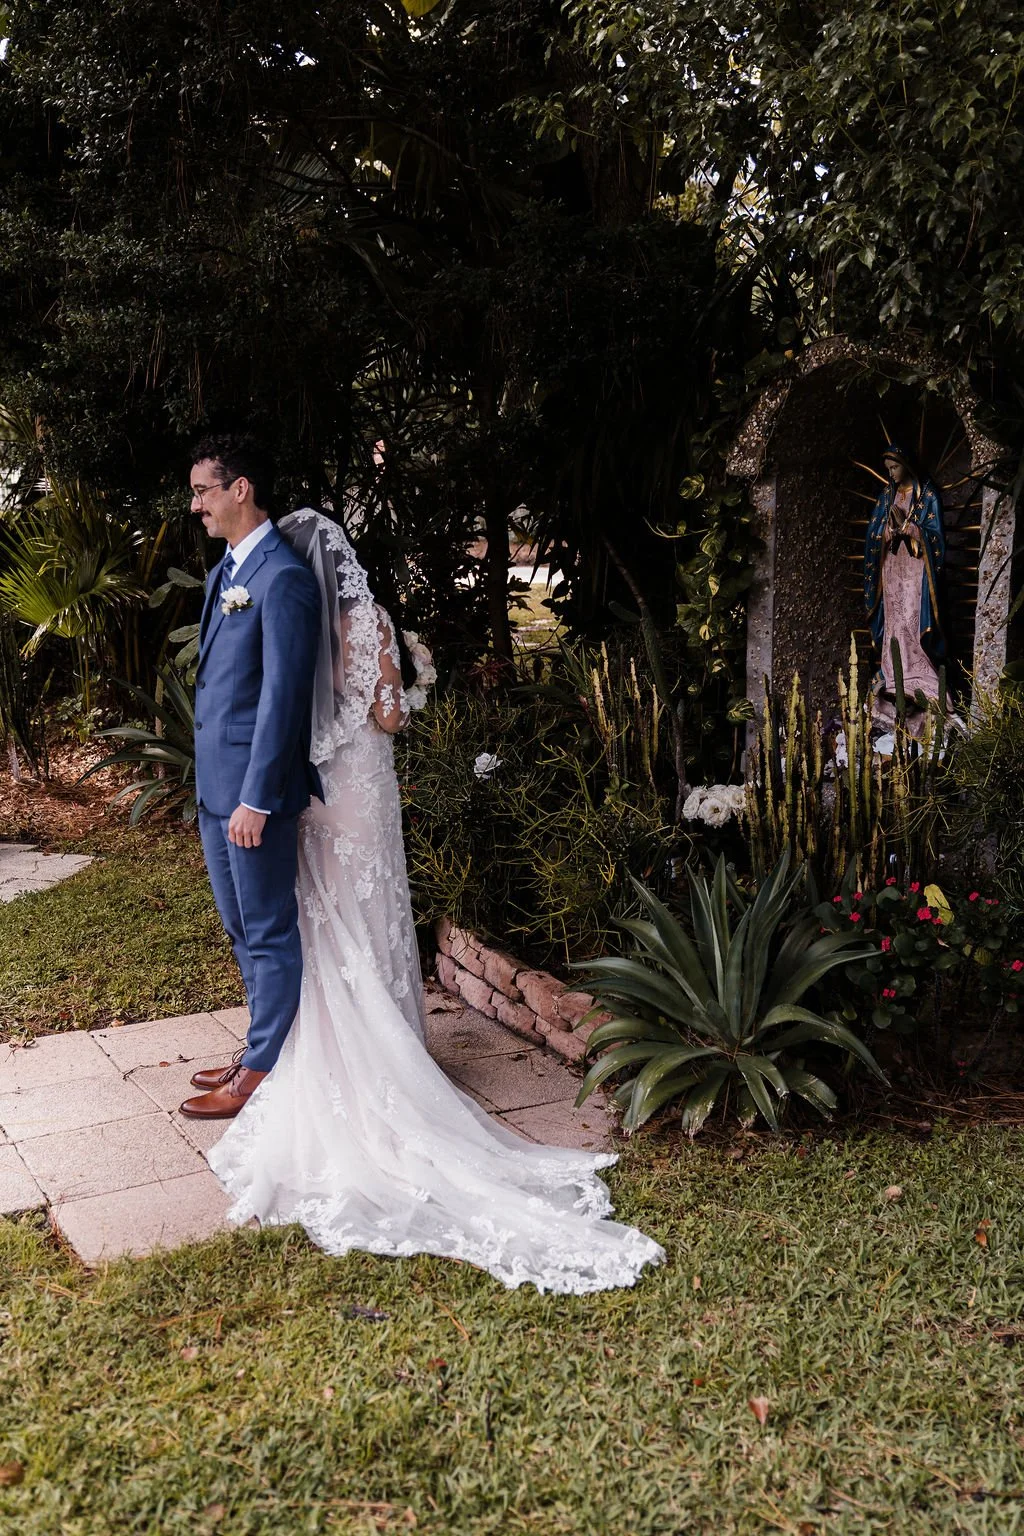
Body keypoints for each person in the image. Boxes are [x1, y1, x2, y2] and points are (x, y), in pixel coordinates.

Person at [200, 507, 665, 1294]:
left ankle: (317, 1047)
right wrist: (409, 684)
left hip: (309, 790)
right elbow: (384, 714)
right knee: (373, 911)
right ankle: (393, 1049)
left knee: (324, 918)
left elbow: (287, 703)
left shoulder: (300, 613)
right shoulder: (370, 617)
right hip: (362, 787)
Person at [179, 436, 323, 1121]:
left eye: (203, 490)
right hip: (216, 786)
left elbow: (283, 699)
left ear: (240, 489)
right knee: (240, 927)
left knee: (266, 928)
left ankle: (262, 1069)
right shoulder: (224, 575)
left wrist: (257, 798)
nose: (196, 505)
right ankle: (260, 1045)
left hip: (251, 794)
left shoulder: (283, 578)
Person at [864, 444, 946, 730]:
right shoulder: (886, 497)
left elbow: (936, 537)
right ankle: (892, 670)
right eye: (887, 469)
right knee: (895, 620)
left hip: (916, 570)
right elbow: (873, 534)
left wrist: (912, 530)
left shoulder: (927, 496)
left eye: (894, 467)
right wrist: (886, 533)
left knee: (912, 619)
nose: (891, 473)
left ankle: (919, 674)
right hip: (892, 568)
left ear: (906, 464)